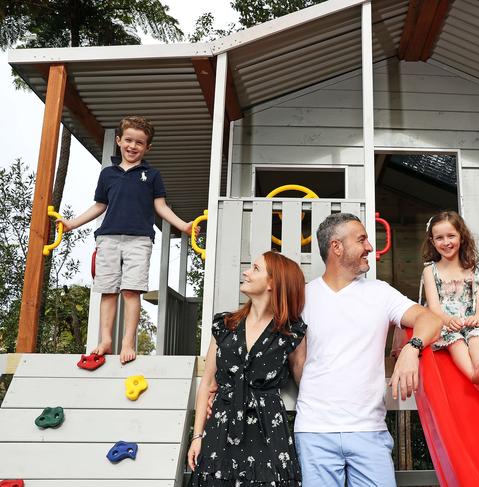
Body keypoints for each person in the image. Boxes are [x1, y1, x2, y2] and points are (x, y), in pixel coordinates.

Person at [292, 213, 441, 487]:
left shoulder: (380, 293)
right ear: (336, 247)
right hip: (315, 431)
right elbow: (297, 362)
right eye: (362, 239)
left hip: (369, 431)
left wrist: (413, 347)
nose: (370, 247)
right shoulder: (302, 296)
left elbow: (431, 319)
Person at [58, 116, 193, 363]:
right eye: (128, 140)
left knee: (132, 291)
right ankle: (105, 340)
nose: (133, 146)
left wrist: (184, 225)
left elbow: (160, 207)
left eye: (139, 143)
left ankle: (128, 342)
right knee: (107, 291)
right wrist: (71, 224)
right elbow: (99, 205)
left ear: (147, 147)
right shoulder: (108, 174)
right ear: (119, 141)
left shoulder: (152, 175)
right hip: (108, 239)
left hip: (139, 240)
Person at [188, 251, 306, 486]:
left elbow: (306, 384)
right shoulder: (225, 325)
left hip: (269, 431)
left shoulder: (291, 333)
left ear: (273, 283)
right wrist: (197, 436)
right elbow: (208, 385)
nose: (246, 272)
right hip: (221, 428)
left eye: (255, 268)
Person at [421, 210, 479, 399]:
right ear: (432, 241)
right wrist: (448, 320)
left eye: (451, 235)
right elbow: (434, 308)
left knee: (477, 337)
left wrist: (478, 317)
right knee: (457, 342)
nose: (446, 242)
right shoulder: (431, 271)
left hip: (470, 322)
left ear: (462, 236)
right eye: (439, 238)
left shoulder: (472, 270)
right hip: (446, 325)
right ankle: (475, 376)